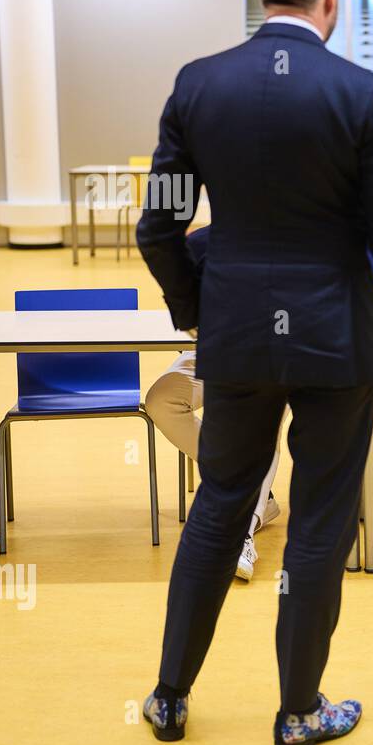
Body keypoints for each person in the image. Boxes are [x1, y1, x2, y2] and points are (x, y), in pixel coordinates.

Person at [136, 0, 373, 745]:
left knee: (218, 510)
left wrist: (199, 306)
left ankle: (167, 698)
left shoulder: (198, 87)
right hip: (336, 343)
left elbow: (160, 225)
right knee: (320, 526)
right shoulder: (362, 95)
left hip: (236, 339)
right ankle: (298, 713)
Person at [144, 226, 282, 581]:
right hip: (210, 351)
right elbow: (183, 310)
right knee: (162, 399)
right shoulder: (197, 244)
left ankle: (241, 533)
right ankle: (249, 490)